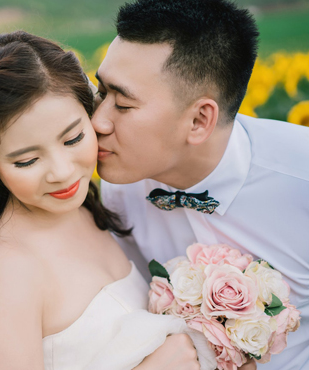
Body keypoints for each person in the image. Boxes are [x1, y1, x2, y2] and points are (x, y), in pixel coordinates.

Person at [0, 30, 224, 370]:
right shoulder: (9, 271)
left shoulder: (91, 206)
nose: (61, 172)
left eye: (73, 138)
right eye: (27, 161)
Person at [94, 1, 309, 369]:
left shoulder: (300, 180)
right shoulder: (120, 187)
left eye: (123, 105)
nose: (98, 121)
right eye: (102, 92)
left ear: (199, 119)